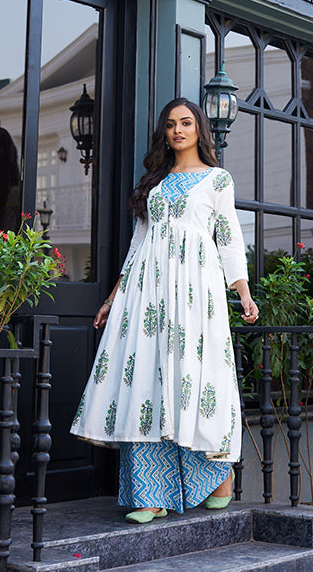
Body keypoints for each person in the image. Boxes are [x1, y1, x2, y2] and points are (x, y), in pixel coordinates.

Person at [71, 98, 258, 522]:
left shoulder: (217, 180)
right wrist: (112, 297)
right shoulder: (155, 183)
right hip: (147, 293)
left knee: (193, 376)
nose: (178, 130)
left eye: (186, 123)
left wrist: (243, 293)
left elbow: (229, 239)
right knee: (146, 380)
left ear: (199, 129)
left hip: (196, 293)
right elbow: (138, 244)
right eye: (171, 124)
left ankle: (218, 476)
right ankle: (151, 494)